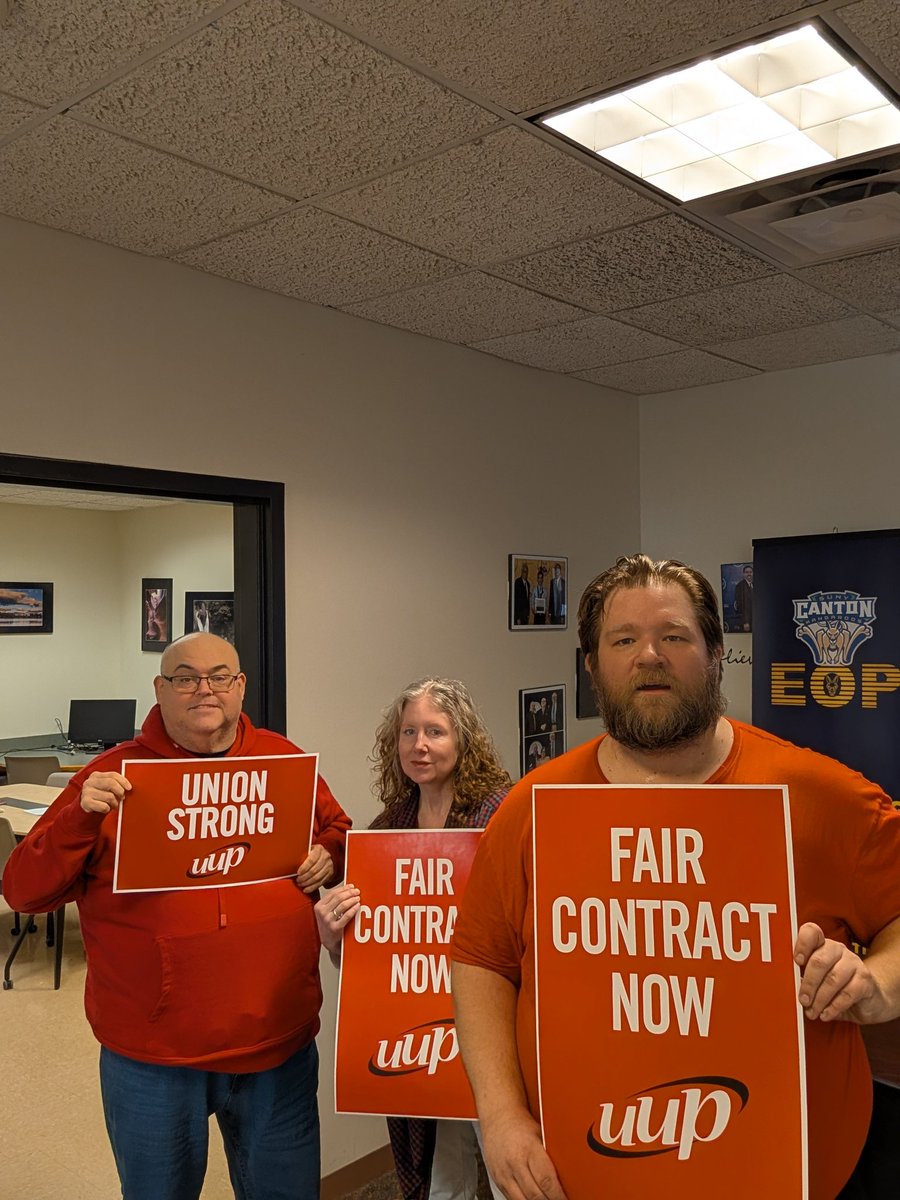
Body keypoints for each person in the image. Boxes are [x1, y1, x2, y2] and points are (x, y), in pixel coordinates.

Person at [451, 554, 900, 1200]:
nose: (649, 656)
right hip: (586, 1176)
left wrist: (879, 985)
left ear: (717, 653)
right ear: (592, 665)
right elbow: (480, 958)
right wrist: (499, 1116)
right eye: (624, 639)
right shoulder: (533, 807)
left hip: (790, 1178)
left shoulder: (818, 794)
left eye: (675, 636)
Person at [3, 632, 351, 1200]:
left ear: (240, 688)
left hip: (277, 1044)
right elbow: (22, 891)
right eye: (185, 678)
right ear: (160, 691)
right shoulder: (111, 778)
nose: (203, 690)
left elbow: (340, 833)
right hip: (152, 1058)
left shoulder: (284, 763)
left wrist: (328, 855)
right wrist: (77, 822)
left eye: (219, 676)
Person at [315, 678, 511, 1200]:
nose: (419, 745)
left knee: (510, 1168)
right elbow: (369, 964)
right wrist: (333, 937)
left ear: (462, 740)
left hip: (495, 1030)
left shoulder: (504, 818)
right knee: (439, 1173)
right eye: (408, 732)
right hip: (423, 1038)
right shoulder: (385, 833)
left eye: (435, 731)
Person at [733, 562, 753, 632]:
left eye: (750, 572)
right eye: (747, 572)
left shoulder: (757, 584)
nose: (749, 574)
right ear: (744, 574)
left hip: (757, 620)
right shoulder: (739, 586)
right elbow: (741, 606)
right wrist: (745, 622)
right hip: (747, 622)